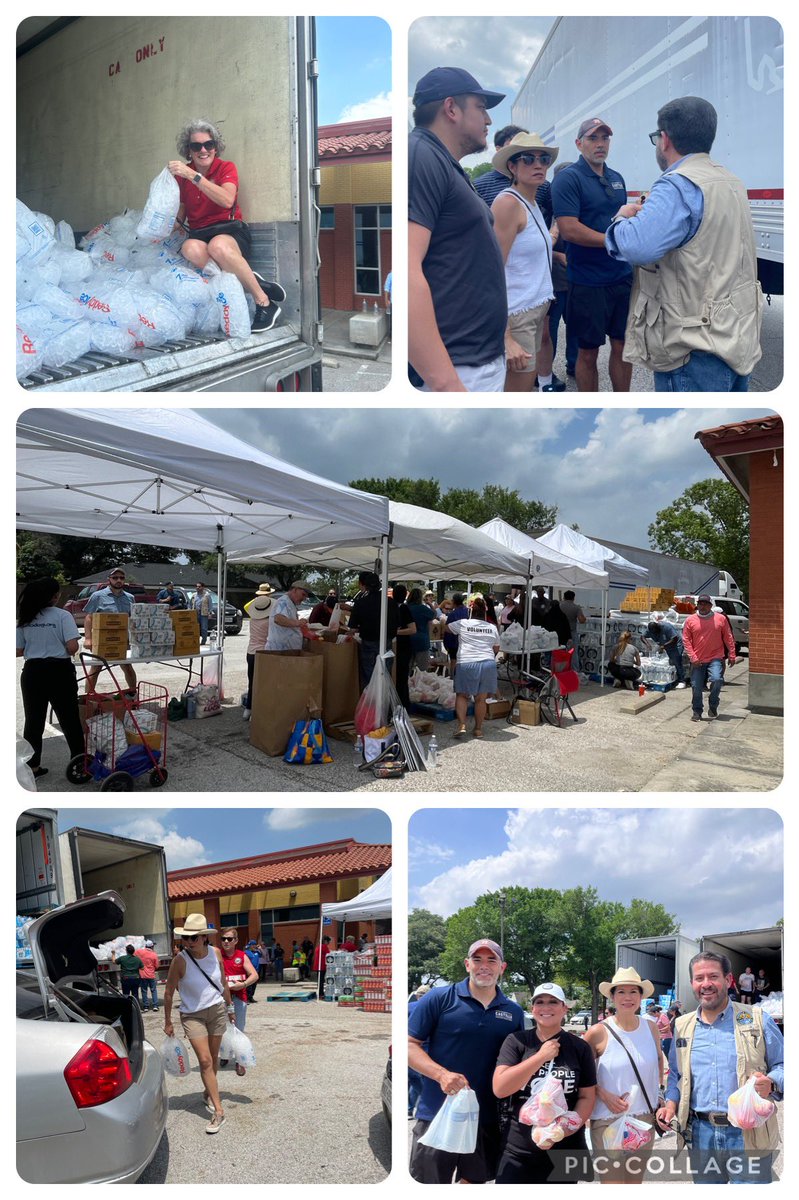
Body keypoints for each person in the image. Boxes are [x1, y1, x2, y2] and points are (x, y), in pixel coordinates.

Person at [604, 97, 762, 391]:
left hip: (694, 348)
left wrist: (620, 220)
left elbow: (635, 246)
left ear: (664, 140)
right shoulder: (730, 181)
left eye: (656, 138)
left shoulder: (677, 184)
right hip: (735, 335)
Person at [408, 67, 508, 392]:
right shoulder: (420, 156)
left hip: (475, 365)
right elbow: (407, 275)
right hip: (459, 372)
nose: (489, 120)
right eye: (481, 108)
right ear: (451, 108)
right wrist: (447, 384)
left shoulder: (446, 165)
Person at [657, 952, 783, 1184]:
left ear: (728, 980)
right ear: (693, 983)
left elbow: (784, 1065)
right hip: (701, 1135)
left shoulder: (756, 1018)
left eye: (713, 976)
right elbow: (676, 1074)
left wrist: (772, 1082)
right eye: (699, 978)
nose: (706, 984)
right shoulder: (682, 1026)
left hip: (749, 1133)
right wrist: (671, 1103)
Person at [409, 939, 525, 1183]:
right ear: (467, 964)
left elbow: (516, 1062)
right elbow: (408, 1046)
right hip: (437, 1112)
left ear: (502, 967)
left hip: (485, 1118)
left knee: (473, 1183)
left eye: (491, 960)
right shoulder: (439, 999)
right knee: (429, 1183)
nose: (484, 966)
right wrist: (442, 1075)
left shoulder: (513, 1012)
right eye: (477, 959)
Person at [169, 118, 285, 333]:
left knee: (218, 247)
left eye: (208, 145)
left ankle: (264, 302)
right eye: (196, 146)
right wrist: (170, 225)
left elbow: (226, 200)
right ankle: (250, 281)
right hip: (200, 233)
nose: (203, 150)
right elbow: (182, 207)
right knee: (189, 248)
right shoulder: (182, 175)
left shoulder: (224, 168)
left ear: (215, 147)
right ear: (188, 150)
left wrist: (194, 176)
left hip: (230, 231)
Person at [551, 117, 633, 392]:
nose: (600, 144)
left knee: (623, 346)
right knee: (588, 352)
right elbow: (569, 230)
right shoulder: (568, 179)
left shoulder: (617, 178)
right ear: (579, 143)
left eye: (604, 138)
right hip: (587, 282)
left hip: (621, 277)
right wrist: (615, 242)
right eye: (593, 138)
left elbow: (619, 221)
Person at [494, 982, 596, 1185]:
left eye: (553, 1002)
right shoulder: (517, 1041)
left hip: (565, 1147)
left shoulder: (579, 1047)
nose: (546, 1007)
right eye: (539, 1002)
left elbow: (586, 1096)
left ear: (564, 1008)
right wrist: (540, 1057)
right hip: (519, 1148)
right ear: (532, 1009)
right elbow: (500, 1088)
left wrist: (563, 1130)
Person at [490, 133, 559, 392]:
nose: (538, 164)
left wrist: (556, 231)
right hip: (516, 314)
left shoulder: (532, 202)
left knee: (525, 385)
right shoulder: (508, 203)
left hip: (534, 309)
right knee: (516, 392)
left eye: (544, 159)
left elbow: (533, 247)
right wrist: (505, 336)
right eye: (528, 159)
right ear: (512, 166)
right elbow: (493, 270)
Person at [583, 968, 662, 1184]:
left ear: (641, 996)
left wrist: (661, 1096)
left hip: (643, 1119)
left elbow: (658, 1062)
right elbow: (582, 1075)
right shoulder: (598, 1032)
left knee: (634, 1185)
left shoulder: (652, 1028)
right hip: (608, 1120)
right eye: (621, 992)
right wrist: (602, 1093)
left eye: (633, 992)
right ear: (612, 997)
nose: (627, 997)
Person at [163, 913, 234, 1134]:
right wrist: (168, 1021)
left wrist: (230, 1007)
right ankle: (219, 1111)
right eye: (186, 938)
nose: (189, 942)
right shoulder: (180, 960)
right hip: (192, 1016)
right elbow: (167, 992)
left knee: (213, 1059)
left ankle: (208, 1093)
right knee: (204, 1061)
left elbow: (222, 982)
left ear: (204, 937)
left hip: (216, 1011)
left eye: (194, 938)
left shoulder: (215, 953)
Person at [16, 576, 86, 780]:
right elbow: (72, 647)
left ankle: (33, 767)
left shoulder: (25, 619)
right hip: (59, 671)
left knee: (34, 722)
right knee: (70, 720)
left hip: (33, 673)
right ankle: (79, 763)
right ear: (55, 596)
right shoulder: (63, 616)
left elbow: (18, 651)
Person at [448, 595, 500, 739]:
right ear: (485, 612)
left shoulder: (463, 623)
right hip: (487, 663)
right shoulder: (492, 627)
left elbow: (447, 628)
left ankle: (462, 725)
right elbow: (496, 648)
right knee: (481, 699)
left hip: (466, 662)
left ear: (470, 611)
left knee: (462, 695)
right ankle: (478, 729)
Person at [681, 594, 736, 721]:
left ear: (711, 605)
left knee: (717, 680)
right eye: (700, 603)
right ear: (697, 605)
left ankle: (713, 704)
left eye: (705, 604)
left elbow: (728, 637)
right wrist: (693, 657)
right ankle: (697, 711)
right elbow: (686, 640)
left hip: (716, 657)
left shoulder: (721, 619)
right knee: (696, 687)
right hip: (697, 659)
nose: (703, 606)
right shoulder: (690, 620)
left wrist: (732, 654)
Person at [83, 567, 138, 694]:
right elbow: (89, 617)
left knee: (128, 667)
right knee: (96, 668)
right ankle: (88, 700)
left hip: (123, 640)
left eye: (121, 578)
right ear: (109, 580)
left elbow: (133, 618)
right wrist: (88, 638)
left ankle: (132, 696)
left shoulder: (130, 597)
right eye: (115, 578)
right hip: (103, 640)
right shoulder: (97, 596)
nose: (118, 580)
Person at [548, 162, 580, 379]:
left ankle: (574, 365)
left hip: (577, 280)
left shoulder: (582, 206)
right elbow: (534, 247)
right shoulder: (546, 208)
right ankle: (544, 371)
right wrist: (557, 256)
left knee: (576, 327)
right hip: (553, 282)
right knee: (549, 331)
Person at [348, 571, 398, 690]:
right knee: (386, 677)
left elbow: (353, 627)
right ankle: (385, 707)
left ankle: (371, 706)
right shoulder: (391, 602)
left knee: (369, 677)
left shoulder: (360, 603)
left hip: (368, 643)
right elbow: (398, 625)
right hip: (387, 642)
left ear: (365, 585)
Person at [219, 930, 257, 1073]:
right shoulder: (217, 956)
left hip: (239, 997)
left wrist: (243, 984)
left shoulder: (241, 956)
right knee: (222, 1029)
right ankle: (224, 1055)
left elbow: (254, 975)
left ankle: (239, 1060)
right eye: (223, 939)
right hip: (221, 998)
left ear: (236, 940)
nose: (226, 942)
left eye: (229, 939)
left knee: (238, 1028)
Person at [243, 582, 274, 719]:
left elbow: (248, 606)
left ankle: (248, 709)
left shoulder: (252, 618)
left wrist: (258, 598)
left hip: (250, 652)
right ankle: (257, 712)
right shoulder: (269, 621)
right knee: (263, 684)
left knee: (252, 682)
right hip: (263, 653)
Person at [265, 580, 311, 653]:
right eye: (303, 594)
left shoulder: (290, 603)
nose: (304, 598)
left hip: (286, 651)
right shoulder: (283, 602)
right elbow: (278, 619)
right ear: (295, 590)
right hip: (279, 652)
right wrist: (298, 623)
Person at [408, 984, 432, 1117]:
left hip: (411, 1050)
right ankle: (420, 1105)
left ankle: (409, 1108)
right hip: (425, 1051)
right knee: (416, 1079)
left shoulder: (409, 1007)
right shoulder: (432, 1009)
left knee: (412, 1078)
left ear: (417, 995)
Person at [392, 584, 417, 710]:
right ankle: (398, 704)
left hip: (402, 648)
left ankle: (402, 705)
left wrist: (396, 632)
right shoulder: (392, 607)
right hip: (397, 647)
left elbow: (413, 629)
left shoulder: (404, 609)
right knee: (398, 677)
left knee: (401, 677)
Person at [646, 617, 687, 688]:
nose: (654, 634)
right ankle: (673, 679)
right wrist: (648, 644)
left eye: (655, 632)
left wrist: (663, 646)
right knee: (668, 664)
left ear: (658, 628)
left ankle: (682, 680)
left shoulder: (667, 627)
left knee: (676, 661)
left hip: (675, 645)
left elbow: (674, 638)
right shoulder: (651, 629)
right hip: (665, 644)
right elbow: (642, 637)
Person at [408, 587, 437, 672]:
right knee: (422, 670)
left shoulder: (405, 608)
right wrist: (430, 604)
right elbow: (434, 615)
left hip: (408, 640)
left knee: (407, 669)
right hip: (422, 641)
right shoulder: (423, 608)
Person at [559, 590, 587, 671]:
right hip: (571, 632)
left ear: (564, 597)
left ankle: (561, 669)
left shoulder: (560, 606)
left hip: (561, 632)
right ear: (573, 598)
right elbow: (581, 620)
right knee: (573, 652)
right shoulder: (576, 607)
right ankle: (574, 671)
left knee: (561, 651)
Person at [443, 591, 469, 677]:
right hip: (464, 639)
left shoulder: (452, 614)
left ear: (454, 602)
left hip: (453, 640)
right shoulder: (467, 611)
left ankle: (452, 677)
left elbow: (447, 628)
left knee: (453, 660)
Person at [137, 939, 160, 1012]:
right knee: (153, 990)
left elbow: (133, 954)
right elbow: (157, 966)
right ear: (152, 947)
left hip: (142, 975)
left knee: (144, 991)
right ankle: (155, 1006)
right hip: (151, 975)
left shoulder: (140, 952)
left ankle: (146, 1006)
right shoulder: (154, 954)